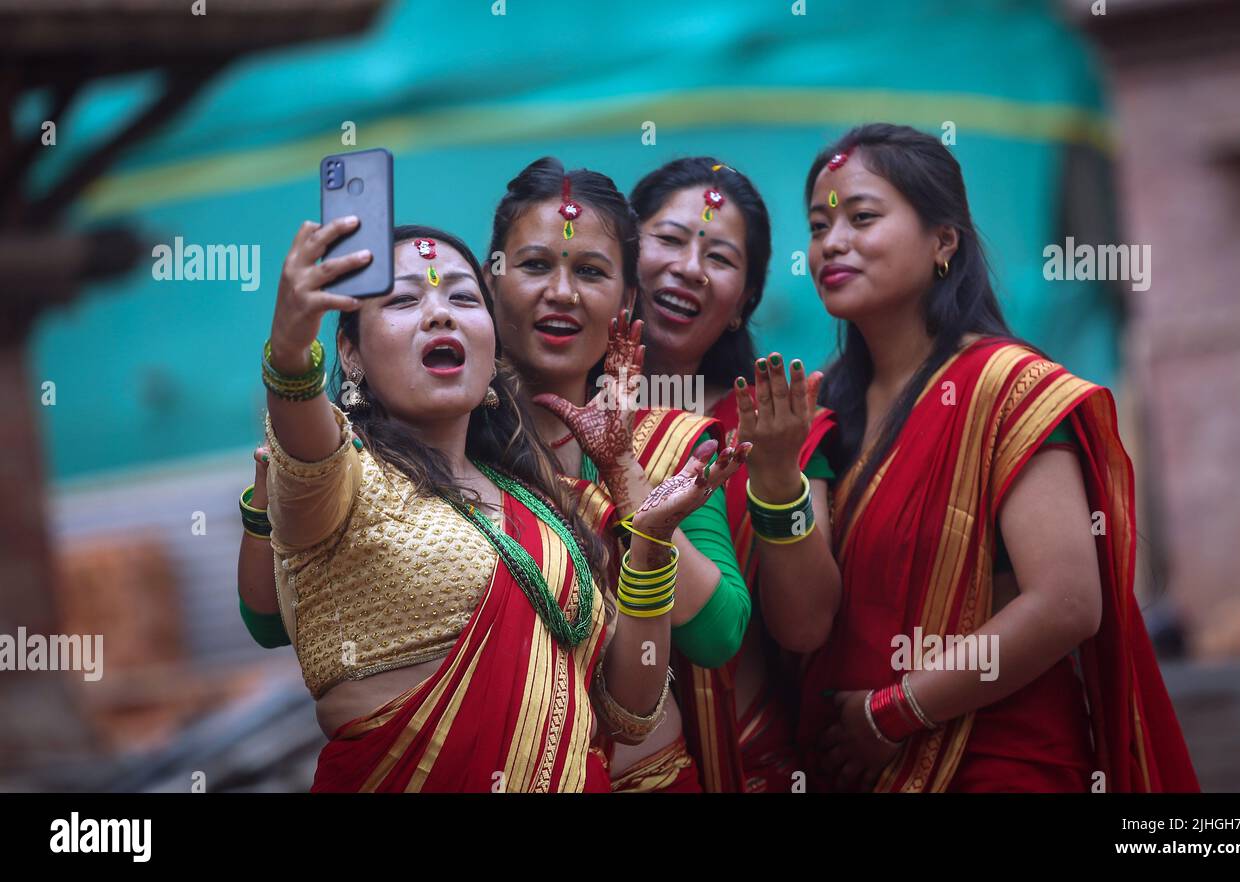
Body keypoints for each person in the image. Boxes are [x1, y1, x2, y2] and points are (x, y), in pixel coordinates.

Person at [240, 219, 742, 791]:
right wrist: (289, 344)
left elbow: (629, 709)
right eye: (404, 299)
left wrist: (650, 548)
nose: (440, 313)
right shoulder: (341, 476)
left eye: (462, 296)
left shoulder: (543, 505)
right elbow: (301, 429)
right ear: (350, 354)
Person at [784, 123, 1198, 792]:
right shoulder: (820, 408)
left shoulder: (1009, 390)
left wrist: (895, 714)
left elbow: (1066, 603)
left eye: (862, 217)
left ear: (943, 241)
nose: (833, 242)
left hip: (998, 764)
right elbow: (805, 622)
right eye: (818, 226)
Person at [485, 158, 753, 791]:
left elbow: (718, 634)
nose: (562, 291)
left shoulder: (669, 444)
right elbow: (271, 619)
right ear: (490, 281)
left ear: (627, 300)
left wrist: (624, 472)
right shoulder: (445, 440)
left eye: (590, 271)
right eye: (534, 265)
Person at [629, 157, 840, 792]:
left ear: (745, 301)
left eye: (719, 257)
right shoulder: (549, 414)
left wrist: (775, 477)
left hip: (747, 768)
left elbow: (805, 628)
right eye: (668, 239)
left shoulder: (777, 429)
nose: (689, 268)